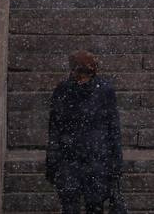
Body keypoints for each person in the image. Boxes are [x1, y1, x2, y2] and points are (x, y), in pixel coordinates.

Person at [45, 50, 125, 214]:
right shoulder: (63, 91)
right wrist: (52, 161)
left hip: (94, 158)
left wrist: (116, 162)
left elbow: (113, 128)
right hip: (73, 158)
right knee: (71, 205)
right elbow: (55, 129)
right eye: (79, 72)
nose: (82, 77)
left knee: (94, 205)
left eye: (86, 72)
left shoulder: (104, 91)